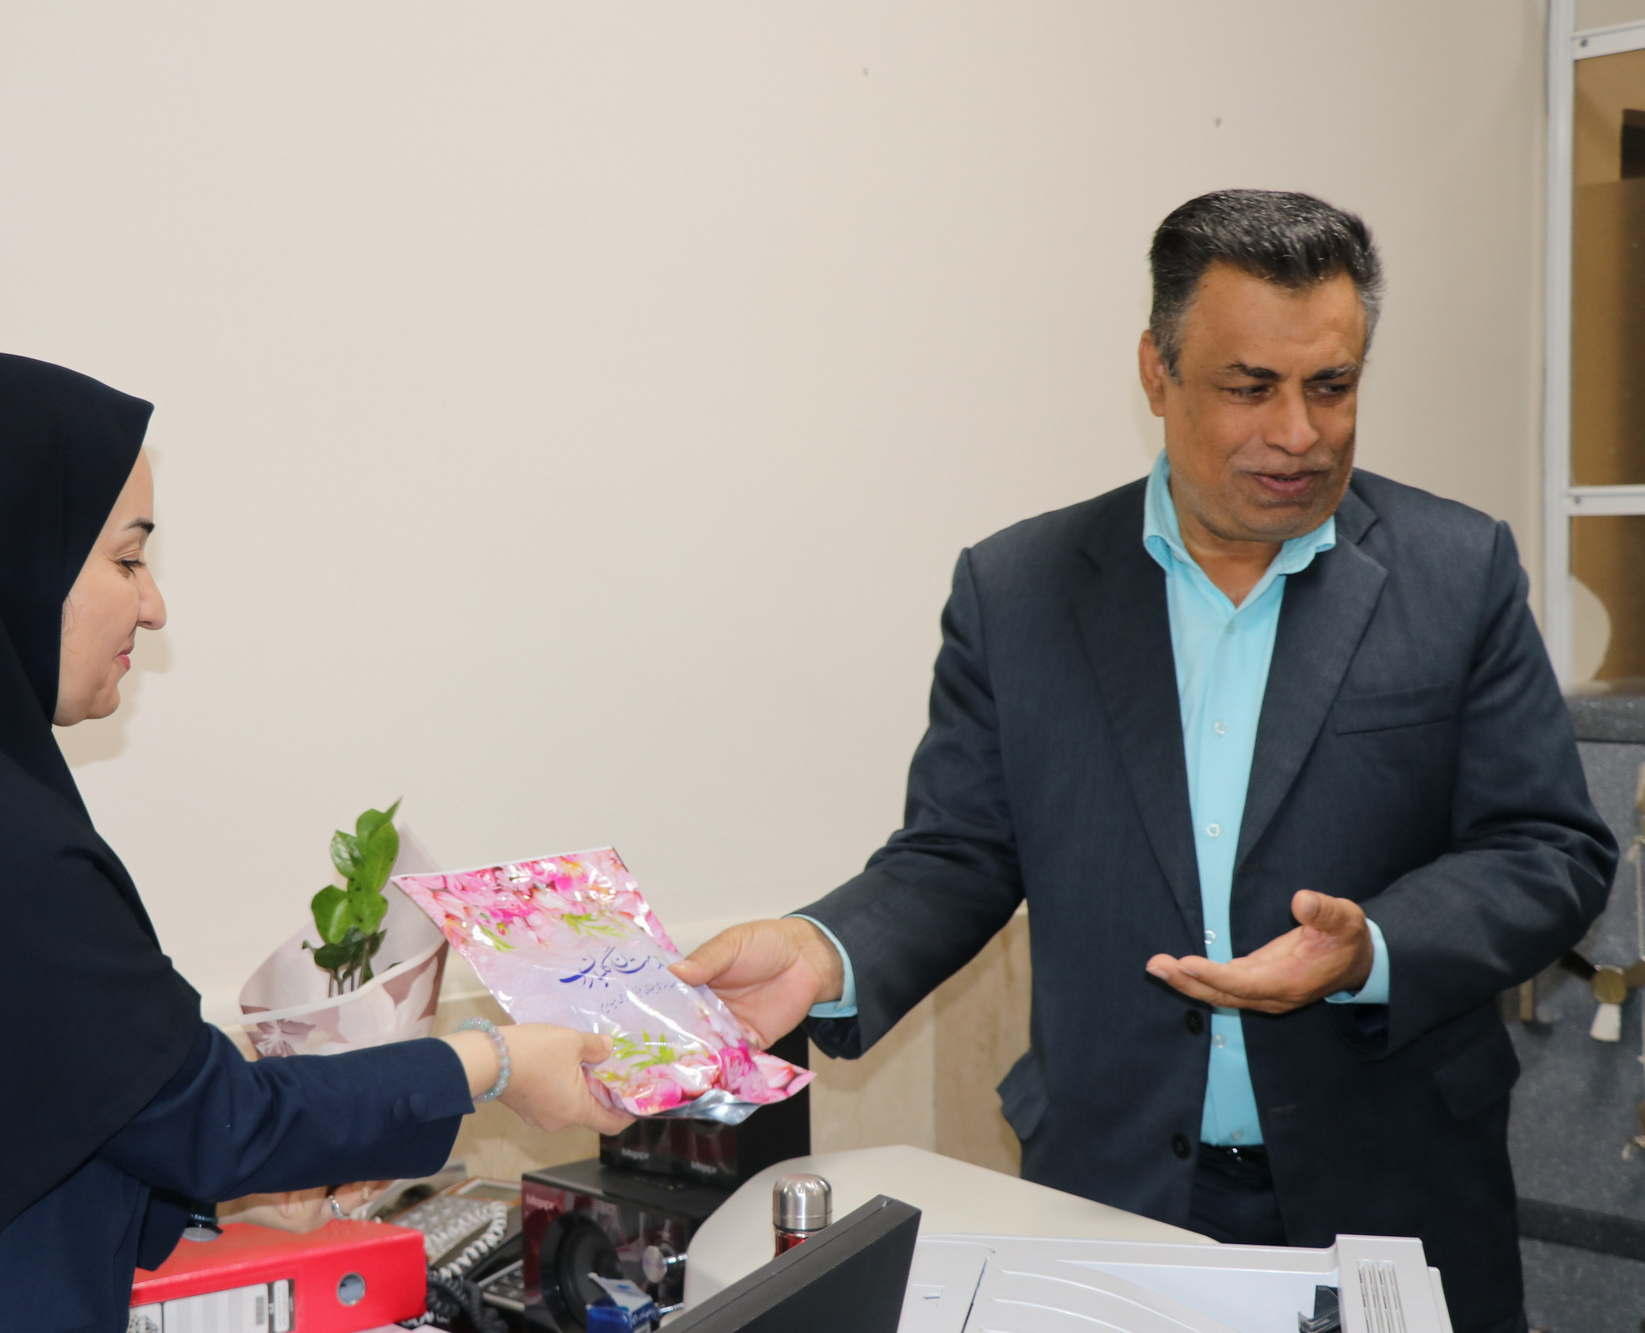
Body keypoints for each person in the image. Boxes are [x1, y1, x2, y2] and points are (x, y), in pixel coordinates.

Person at [671, 190, 1615, 1333]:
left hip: (1392, 1183)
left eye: (1329, 385)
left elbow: (1545, 849)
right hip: (1107, 1189)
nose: (1298, 432)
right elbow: (958, 852)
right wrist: (821, 947)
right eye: (1247, 387)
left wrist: (1371, 946)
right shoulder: (1019, 590)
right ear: (1155, 373)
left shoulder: (1454, 570)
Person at [0, 352, 632, 1332]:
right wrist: (496, 1061)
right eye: (125, 560)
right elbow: (219, 1119)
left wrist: (220, 1201)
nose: (153, 605)